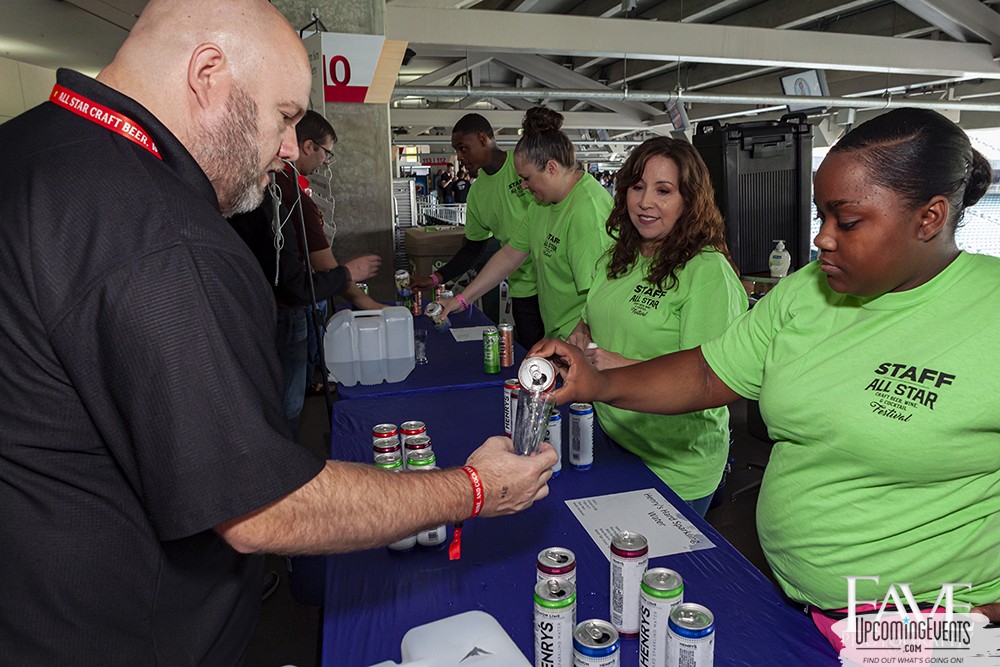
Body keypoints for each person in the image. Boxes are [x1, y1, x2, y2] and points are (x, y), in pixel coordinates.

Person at [0, 1, 557, 663]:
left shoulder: (30, 148)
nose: (291, 147)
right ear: (208, 74)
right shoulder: (157, 233)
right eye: (285, 116)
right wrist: (472, 488)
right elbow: (261, 504)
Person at [530, 108, 1000, 639]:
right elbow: (709, 374)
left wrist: (975, 623)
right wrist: (600, 383)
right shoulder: (807, 289)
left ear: (929, 218)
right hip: (793, 598)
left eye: (845, 221)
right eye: (821, 217)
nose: (822, 238)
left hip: (925, 628)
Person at [565, 137, 746, 516]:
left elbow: (717, 381)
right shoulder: (619, 258)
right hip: (612, 438)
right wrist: (578, 339)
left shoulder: (707, 273)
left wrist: (618, 368)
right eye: (637, 187)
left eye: (664, 191)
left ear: (690, 201)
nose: (645, 202)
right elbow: (591, 317)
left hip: (674, 465)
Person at [229, 110, 382, 435]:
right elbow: (300, 283)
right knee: (286, 404)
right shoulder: (284, 198)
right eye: (326, 152)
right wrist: (360, 291)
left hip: (260, 309)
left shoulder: (275, 193)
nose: (326, 162)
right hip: (284, 313)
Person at [437, 107, 614, 340]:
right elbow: (510, 255)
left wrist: (578, 343)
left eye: (526, 178)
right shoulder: (541, 204)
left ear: (551, 168)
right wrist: (462, 299)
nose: (523, 186)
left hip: (585, 340)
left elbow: (602, 296)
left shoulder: (587, 212)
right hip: (559, 333)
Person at [410, 113, 544, 348]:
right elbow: (474, 248)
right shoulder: (478, 193)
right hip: (523, 287)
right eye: (457, 151)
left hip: (552, 280)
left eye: (463, 148)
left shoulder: (523, 166)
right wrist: (436, 278)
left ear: (483, 139)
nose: (459, 157)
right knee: (533, 353)